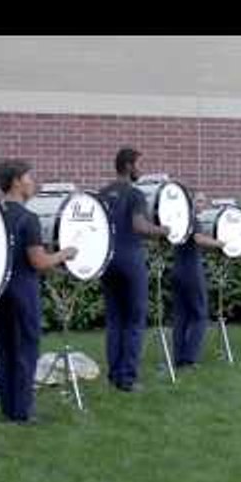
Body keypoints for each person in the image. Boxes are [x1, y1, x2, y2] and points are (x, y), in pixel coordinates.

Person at [0, 160, 77, 424]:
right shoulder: (28, 218)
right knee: (26, 351)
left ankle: (8, 410)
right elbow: (38, 262)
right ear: (16, 181)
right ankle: (23, 412)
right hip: (22, 291)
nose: (33, 182)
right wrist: (65, 253)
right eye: (29, 177)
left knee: (4, 350)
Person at [99, 147, 169, 392]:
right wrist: (163, 231)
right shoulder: (135, 194)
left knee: (115, 320)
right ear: (128, 166)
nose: (141, 169)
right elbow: (139, 226)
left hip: (107, 261)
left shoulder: (103, 194)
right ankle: (127, 378)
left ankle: (114, 375)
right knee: (134, 321)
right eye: (139, 164)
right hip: (130, 262)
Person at [171, 191, 226, 369]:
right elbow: (199, 239)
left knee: (181, 317)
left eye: (204, 201)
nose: (202, 204)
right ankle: (190, 358)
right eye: (199, 201)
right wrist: (220, 243)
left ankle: (178, 358)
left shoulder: (178, 218)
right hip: (191, 272)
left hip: (178, 269)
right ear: (191, 202)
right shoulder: (192, 218)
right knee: (200, 315)